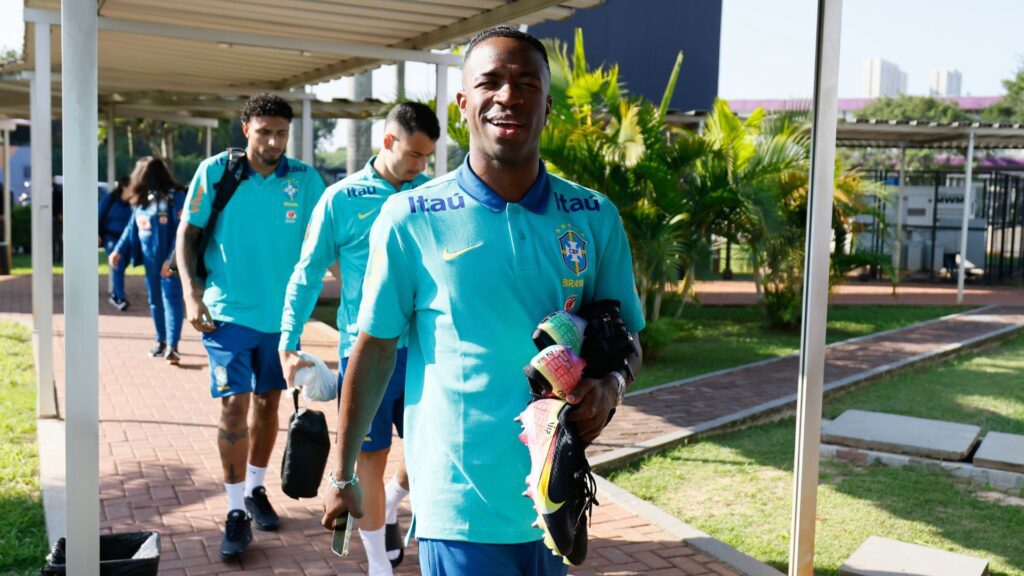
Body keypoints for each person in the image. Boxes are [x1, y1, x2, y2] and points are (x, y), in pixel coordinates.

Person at [321, 27, 644, 576]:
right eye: (490, 82)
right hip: (459, 506)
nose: (508, 96)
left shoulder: (592, 216)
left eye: (525, 83)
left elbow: (628, 337)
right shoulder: (411, 217)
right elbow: (373, 350)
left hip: (554, 502)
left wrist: (609, 387)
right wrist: (342, 471)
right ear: (462, 103)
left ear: (548, 102)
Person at [280, 101, 439, 576]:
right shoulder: (340, 200)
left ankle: (391, 501)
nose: (420, 166)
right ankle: (378, 565)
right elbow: (306, 275)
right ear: (388, 141)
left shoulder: (431, 195)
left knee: (428, 453)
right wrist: (288, 340)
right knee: (369, 459)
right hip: (365, 352)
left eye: (428, 157)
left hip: (426, 351)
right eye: (414, 154)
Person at [175, 93, 325, 561]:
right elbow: (188, 232)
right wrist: (190, 293)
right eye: (265, 131)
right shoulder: (217, 171)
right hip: (227, 313)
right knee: (234, 407)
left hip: (282, 321)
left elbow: (325, 238)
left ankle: (257, 489)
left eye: (281, 132)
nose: (274, 141)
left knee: (268, 403)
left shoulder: (305, 179)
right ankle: (236, 510)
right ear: (246, 130)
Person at [109, 158, 185, 364]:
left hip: (170, 262)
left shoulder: (175, 197)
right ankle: (160, 341)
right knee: (155, 301)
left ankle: (172, 346)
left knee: (172, 299)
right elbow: (131, 228)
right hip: (150, 260)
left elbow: (182, 231)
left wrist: (171, 260)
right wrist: (118, 250)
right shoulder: (143, 200)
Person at [99, 175, 133, 311]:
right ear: (124, 186)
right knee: (118, 265)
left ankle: (115, 294)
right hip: (111, 238)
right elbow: (99, 215)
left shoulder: (134, 203)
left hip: (127, 240)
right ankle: (119, 297)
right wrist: (98, 234)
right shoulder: (110, 200)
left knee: (123, 265)